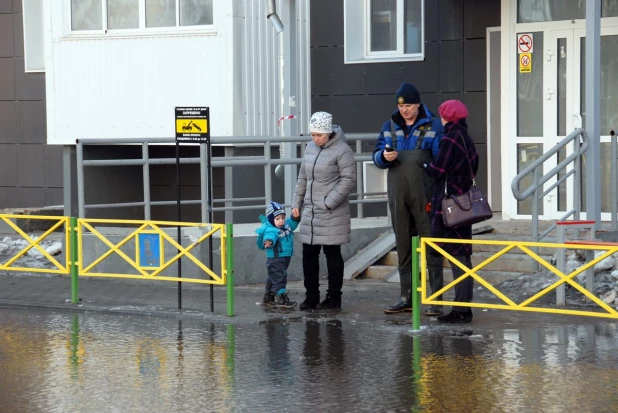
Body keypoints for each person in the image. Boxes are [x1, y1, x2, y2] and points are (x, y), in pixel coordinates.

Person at [372, 82, 445, 315]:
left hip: (425, 194)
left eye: (409, 106)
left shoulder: (433, 125)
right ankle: (407, 297)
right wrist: (384, 156)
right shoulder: (389, 126)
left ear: (418, 105)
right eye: (401, 106)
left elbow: (441, 160)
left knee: (430, 244)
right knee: (404, 244)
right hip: (398, 195)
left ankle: (435, 299)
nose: (404, 110)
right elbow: (376, 156)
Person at [418, 99, 478, 323]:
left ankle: (461, 310)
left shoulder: (450, 138)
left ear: (448, 117)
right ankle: (463, 306)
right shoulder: (467, 138)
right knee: (462, 254)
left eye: (442, 115)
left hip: (450, 205)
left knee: (456, 255)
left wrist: (426, 166)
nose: (440, 119)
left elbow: (439, 169)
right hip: (465, 202)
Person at [292, 111, 357, 310]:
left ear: (328, 132)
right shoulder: (310, 148)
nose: (315, 138)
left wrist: (329, 202)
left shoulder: (342, 150)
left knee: (332, 253)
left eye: (319, 135)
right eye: (312, 134)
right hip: (311, 211)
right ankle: (311, 296)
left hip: (331, 211)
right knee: (308, 253)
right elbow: (303, 176)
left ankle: (333, 298)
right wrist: (297, 203)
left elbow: (349, 180)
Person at [255, 201, 301, 308]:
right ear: (271, 219)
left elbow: (292, 225)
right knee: (279, 277)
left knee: (273, 276)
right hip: (276, 257)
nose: (281, 221)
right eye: (277, 219)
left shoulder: (285, 226)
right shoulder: (271, 229)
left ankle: (268, 297)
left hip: (283, 257)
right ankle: (281, 299)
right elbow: (270, 236)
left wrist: (295, 218)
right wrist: (268, 242)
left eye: (282, 218)